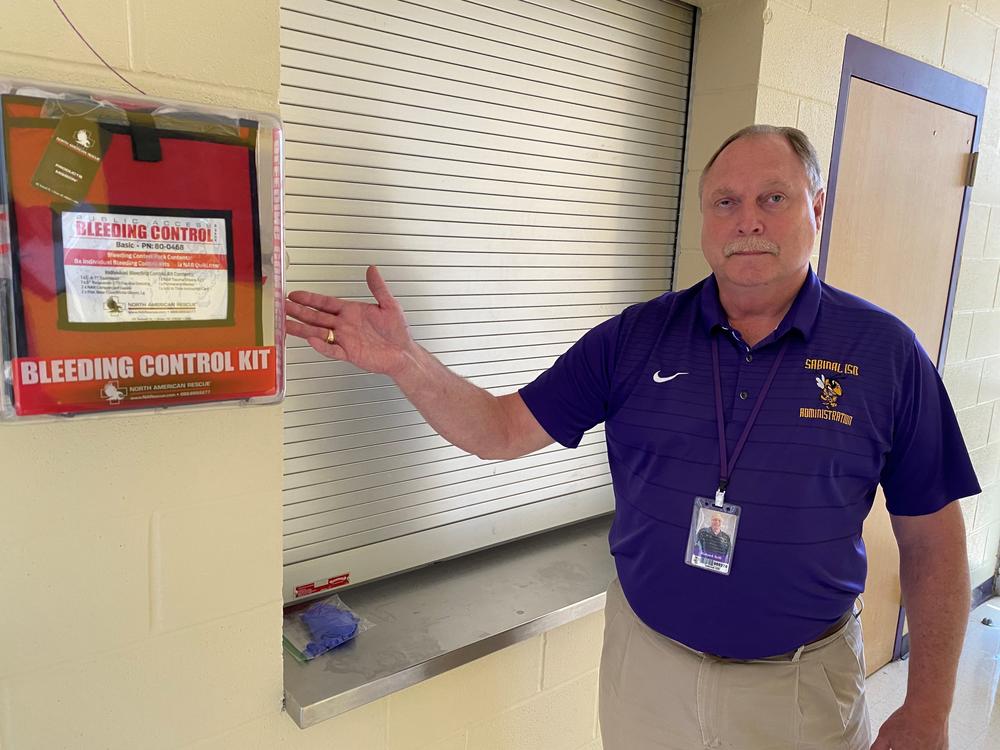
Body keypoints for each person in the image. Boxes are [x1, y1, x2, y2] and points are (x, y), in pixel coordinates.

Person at [285, 125, 980, 750]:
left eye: (774, 198)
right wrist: (408, 362)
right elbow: (500, 430)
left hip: (798, 693)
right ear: (704, 220)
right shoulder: (636, 338)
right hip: (648, 674)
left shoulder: (884, 353)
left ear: (816, 209)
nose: (748, 222)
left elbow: (934, 540)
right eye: (725, 202)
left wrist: (928, 706)